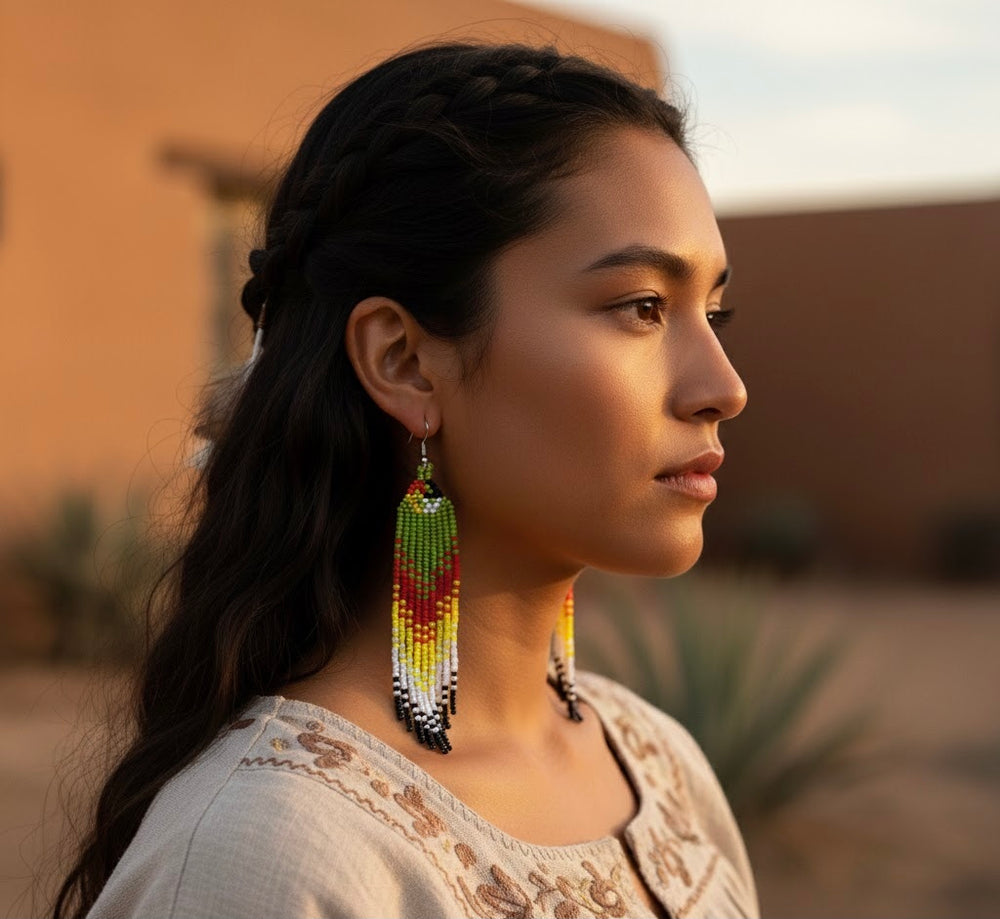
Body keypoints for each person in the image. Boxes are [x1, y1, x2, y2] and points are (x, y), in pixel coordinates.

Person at [54, 41, 756, 919]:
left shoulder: (659, 765)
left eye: (714, 311)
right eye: (641, 306)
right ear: (406, 362)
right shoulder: (271, 855)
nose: (723, 386)